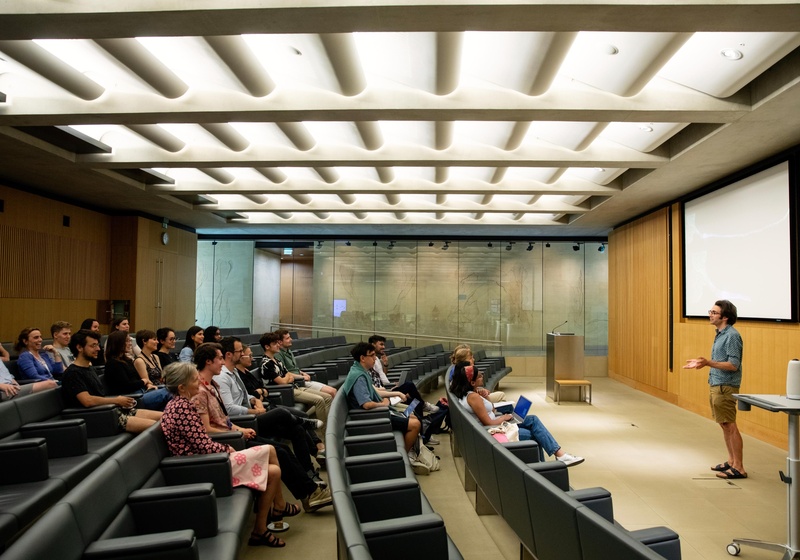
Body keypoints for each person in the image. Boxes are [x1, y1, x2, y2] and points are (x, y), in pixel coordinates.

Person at [191, 343, 332, 513]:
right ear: (208, 361)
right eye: (219, 358)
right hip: (227, 439)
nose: (222, 362)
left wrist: (239, 426)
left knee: (284, 446)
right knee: (279, 449)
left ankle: (310, 491)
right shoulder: (199, 390)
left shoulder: (212, 384)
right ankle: (309, 493)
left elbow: (223, 419)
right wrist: (239, 431)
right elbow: (207, 428)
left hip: (234, 431)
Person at [160, 361, 287, 548]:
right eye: (195, 380)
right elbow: (202, 445)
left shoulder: (178, 404)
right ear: (182, 387)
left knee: (271, 458)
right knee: (273, 468)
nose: (200, 382)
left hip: (207, 461)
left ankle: (267, 521)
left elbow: (201, 441)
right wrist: (227, 449)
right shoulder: (182, 408)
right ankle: (264, 525)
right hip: (204, 466)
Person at [217, 336, 328, 487]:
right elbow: (229, 408)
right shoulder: (223, 377)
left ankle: (309, 473)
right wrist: (255, 411)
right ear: (229, 354)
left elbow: (246, 395)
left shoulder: (233, 372)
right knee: (282, 414)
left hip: (253, 412)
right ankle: (303, 423)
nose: (243, 353)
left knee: (297, 430)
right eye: (239, 351)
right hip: (245, 421)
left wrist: (255, 401)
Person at [450, 362, 584, 466]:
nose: (482, 376)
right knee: (533, 435)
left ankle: (557, 456)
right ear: (471, 382)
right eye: (479, 376)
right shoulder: (473, 397)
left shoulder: (471, 394)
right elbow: (488, 422)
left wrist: (485, 395)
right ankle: (550, 463)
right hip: (493, 431)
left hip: (496, 426)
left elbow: (491, 409)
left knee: (532, 420)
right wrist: (504, 418)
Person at [684, 299, 747, 480]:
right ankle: (731, 461)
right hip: (716, 383)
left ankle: (739, 467)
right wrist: (704, 364)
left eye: (714, 312)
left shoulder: (732, 336)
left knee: (730, 425)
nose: (710, 315)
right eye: (710, 311)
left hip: (725, 386)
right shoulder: (720, 334)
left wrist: (708, 363)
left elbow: (734, 364)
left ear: (725, 317)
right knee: (724, 424)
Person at [61, 329, 161, 433]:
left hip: (110, 410)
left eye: (97, 345)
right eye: (93, 346)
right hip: (98, 416)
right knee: (159, 426)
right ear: (79, 347)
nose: (98, 349)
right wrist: (116, 400)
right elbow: (87, 401)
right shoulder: (73, 373)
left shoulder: (90, 369)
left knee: (165, 418)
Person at [342, 342, 421, 452]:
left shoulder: (360, 371)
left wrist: (394, 394)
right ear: (362, 358)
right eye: (372, 355)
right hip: (373, 416)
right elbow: (366, 404)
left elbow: (373, 392)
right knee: (415, 424)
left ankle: (416, 443)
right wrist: (383, 404)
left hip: (379, 410)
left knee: (412, 412)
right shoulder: (359, 377)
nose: (375, 358)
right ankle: (405, 456)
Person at [260, 331, 331, 424]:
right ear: (267, 347)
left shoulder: (277, 361)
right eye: (274, 344)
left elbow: (288, 375)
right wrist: (287, 378)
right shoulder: (266, 364)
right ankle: (322, 432)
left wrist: (287, 378)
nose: (278, 345)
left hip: (294, 386)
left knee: (328, 397)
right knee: (319, 400)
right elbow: (283, 382)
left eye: (278, 343)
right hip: (285, 392)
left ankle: (318, 427)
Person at [368, 334, 439, 415]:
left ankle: (417, 420)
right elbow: (374, 385)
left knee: (416, 403)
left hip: (388, 388)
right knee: (409, 385)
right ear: (373, 345)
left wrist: (385, 365)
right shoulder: (369, 363)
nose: (384, 347)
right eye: (381, 344)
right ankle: (422, 407)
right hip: (384, 393)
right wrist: (390, 389)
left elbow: (381, 376)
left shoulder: (376, 359)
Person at [104, 330, 171, 411]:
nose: (130, 343)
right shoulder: (113, 364)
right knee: (168, 392)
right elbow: (126, 386)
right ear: (118, 343)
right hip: (132, 398)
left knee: (168, 406)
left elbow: (136, 380)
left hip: (141, 392)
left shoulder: (127, 360)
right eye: (127, 341)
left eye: (130, 341)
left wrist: (146, 383)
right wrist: (143, 381)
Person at [275, 329, 336, 397]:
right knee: (331, 392)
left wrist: (303, 373)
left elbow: (294, 368)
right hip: (296, 382)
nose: (291, 339)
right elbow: (284, 372)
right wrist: (302, 377)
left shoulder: (288, 351)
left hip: (301, 379)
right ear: (280, 342)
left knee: (334, 390)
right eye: (287, 338)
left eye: (290, 337)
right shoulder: (278, 354)